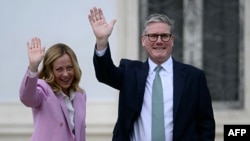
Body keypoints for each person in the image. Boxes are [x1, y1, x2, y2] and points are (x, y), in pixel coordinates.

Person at [88, 7, 215, 141]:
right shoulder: (130, 72)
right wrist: (101, 41)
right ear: (143, 40)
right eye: (153, 36)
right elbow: (104, 74)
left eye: (164, 36)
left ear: (172, 40)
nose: (159, 41)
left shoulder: (194, 77)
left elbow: (206, 125)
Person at [19, 37, 86, 141]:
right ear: (50, 71)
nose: (65, 74)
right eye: (59, 69)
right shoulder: (43, 89)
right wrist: (33, 66)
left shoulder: (80, 95)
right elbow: (26, 98)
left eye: (69, 68)